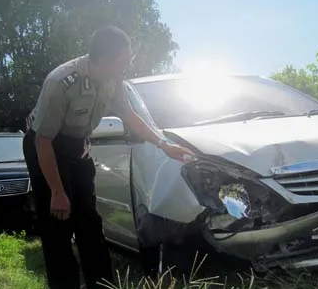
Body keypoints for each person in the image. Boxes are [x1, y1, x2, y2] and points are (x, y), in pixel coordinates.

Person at [22, 25, 195, 289]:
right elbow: (42, 140)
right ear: (102, 60)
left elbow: (129, 116)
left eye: (129, 60)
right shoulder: (61, 82)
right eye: (122, 61)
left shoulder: (114, 81)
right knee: (58, 222)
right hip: (46, 147)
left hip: (79, 145)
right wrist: (57, 191)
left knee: (89, 221)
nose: (126, 67)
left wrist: (164, 145)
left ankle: (102, 285)